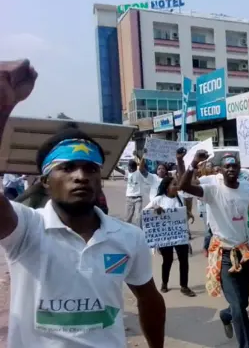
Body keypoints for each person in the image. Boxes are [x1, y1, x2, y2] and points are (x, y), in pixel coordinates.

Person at [0, 58, 166, 347]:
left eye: (91, 169)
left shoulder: (129, 237)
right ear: (44, 181)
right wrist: (3, 107)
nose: (81, 176)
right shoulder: (26, 229)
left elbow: (149, 299)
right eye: (67, 168)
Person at [178, 150, 249, 348]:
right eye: (227, 166)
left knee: (242, 303)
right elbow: (184, 185)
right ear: (220, 169)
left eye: (234, 165)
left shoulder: (247, 191)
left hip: (244, 253)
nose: (231, 169)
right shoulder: (213, 189)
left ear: (239, 169)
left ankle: (225, 314)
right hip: (224, 254)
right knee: (239, 307)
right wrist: (193, 164)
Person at [145, 176, 196, 297]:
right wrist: (154, 209)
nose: (177, 187)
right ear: (167, 187)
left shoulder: (180, 198)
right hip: (165, 236)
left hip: (179, 234)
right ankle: (164, 283)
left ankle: (184, 286)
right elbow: (145, 213)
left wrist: (188, 214)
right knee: (167, 260)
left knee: (184, 260)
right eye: (174, 184)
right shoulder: (158, 199)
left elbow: (181, 214)